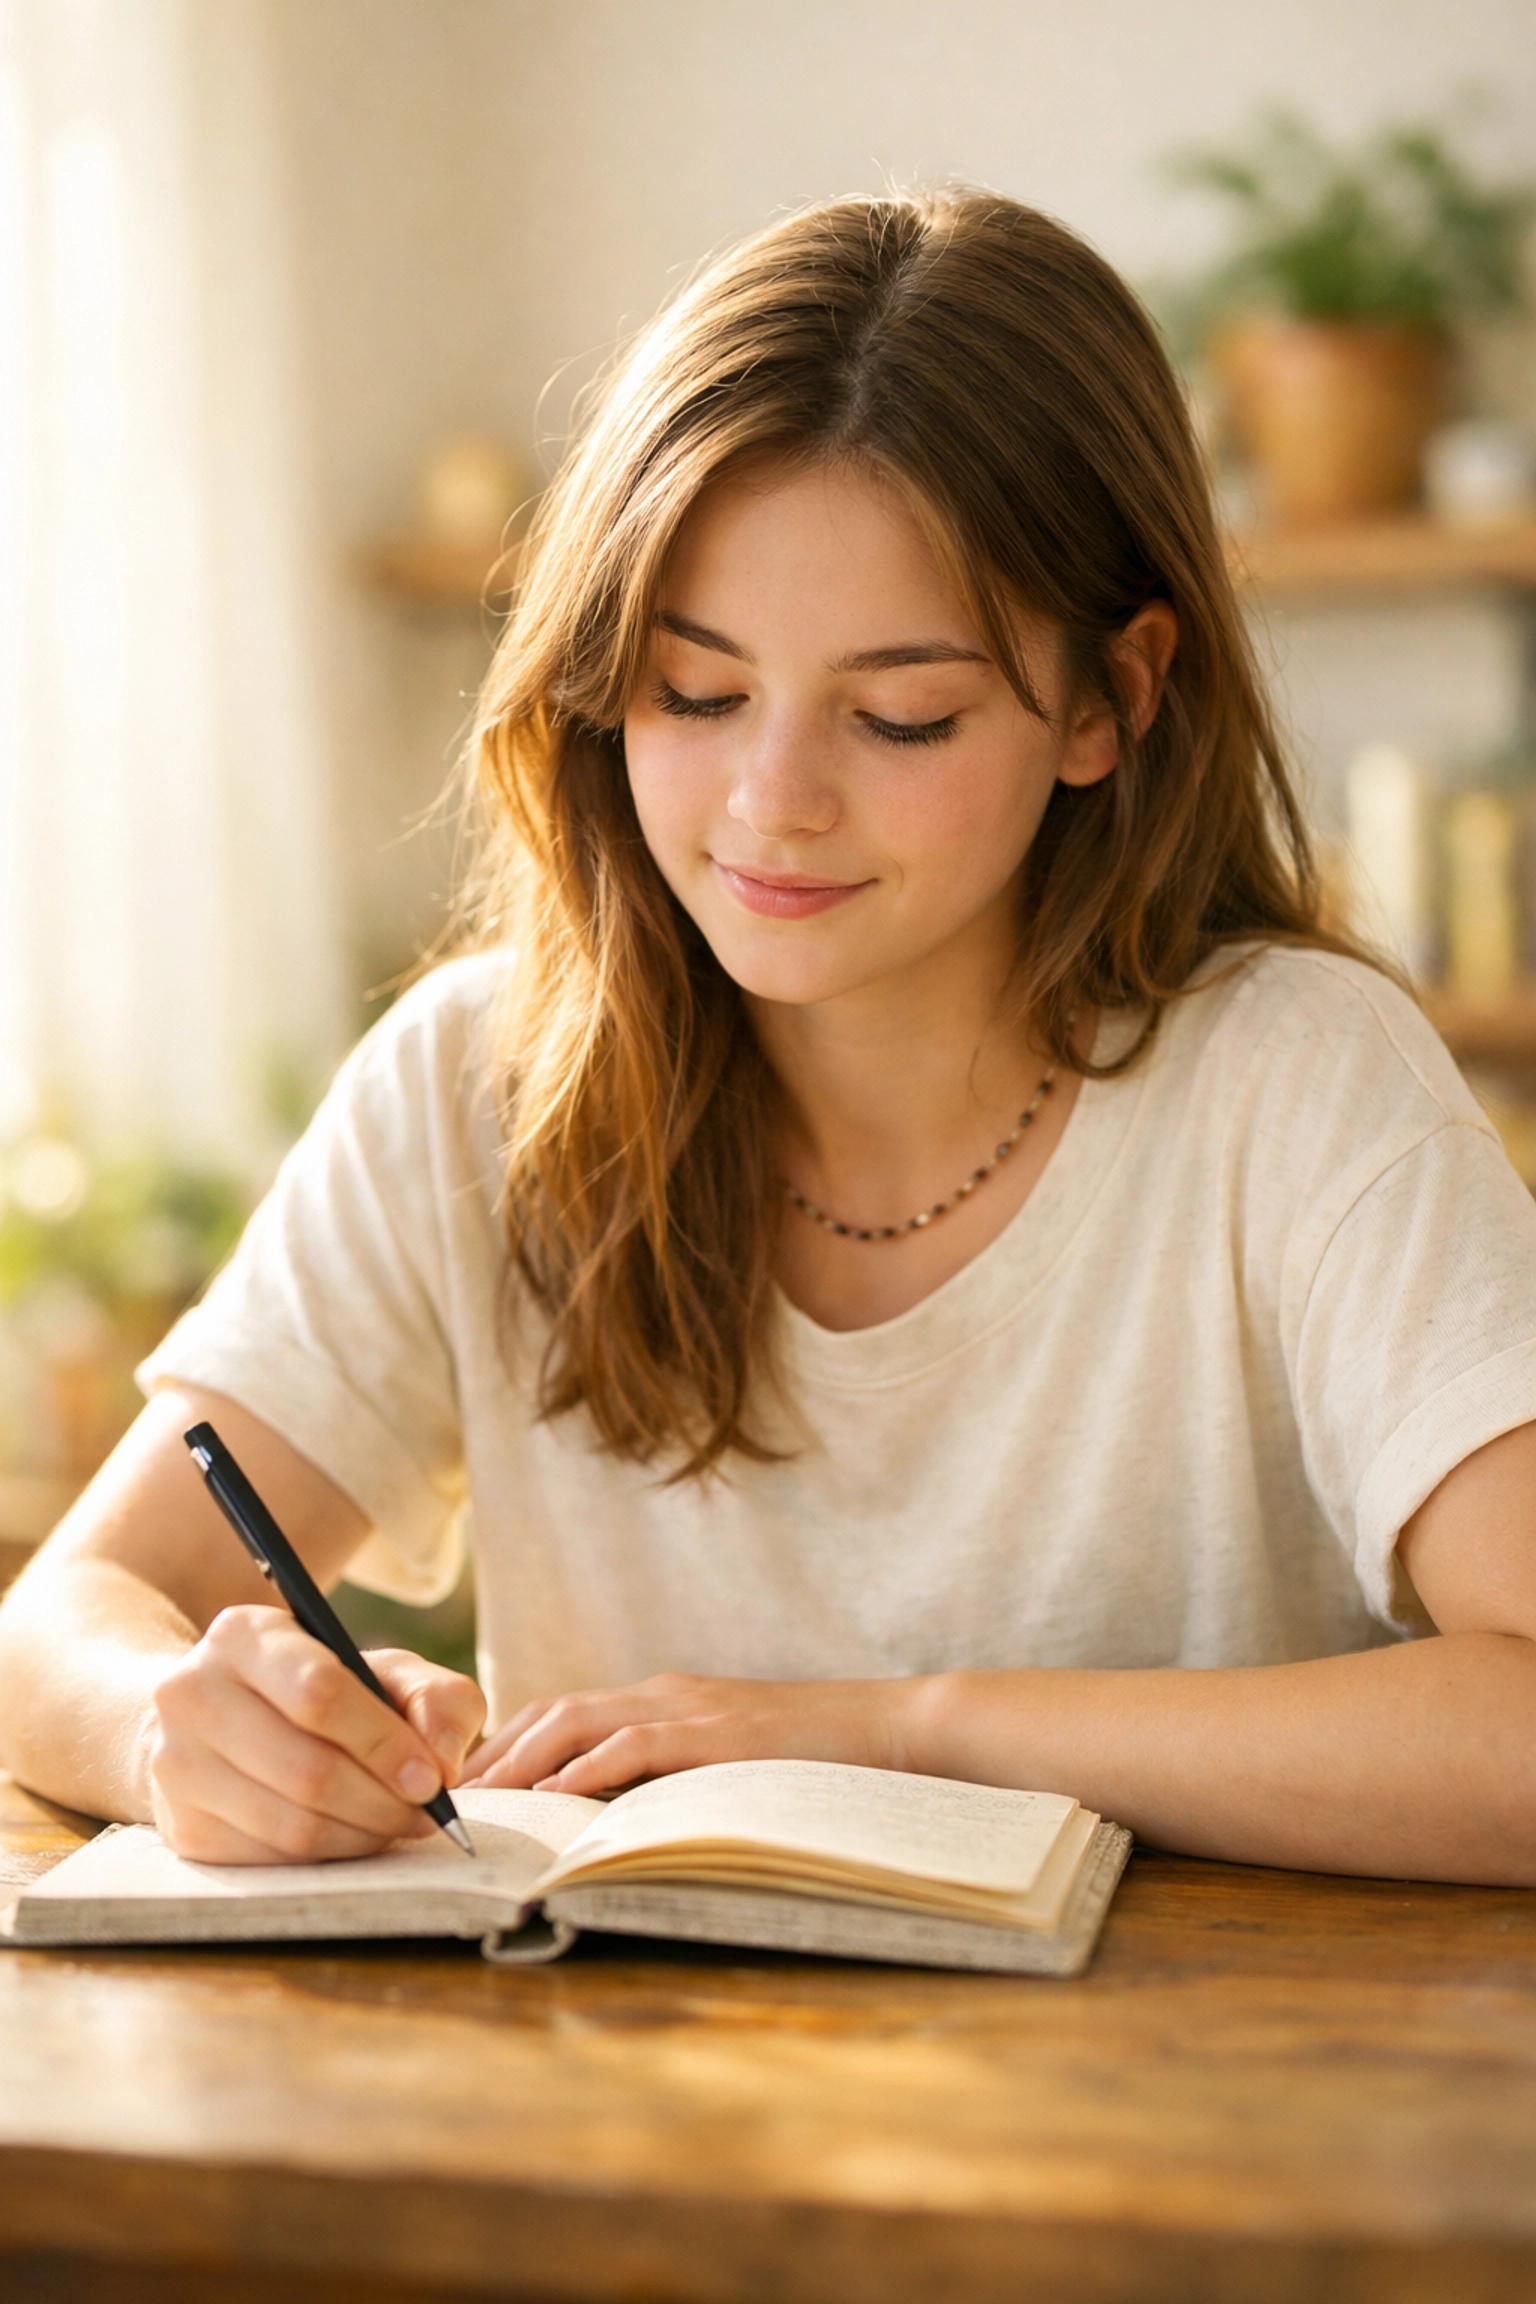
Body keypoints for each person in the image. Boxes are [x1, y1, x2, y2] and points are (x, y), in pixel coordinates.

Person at [4, 189, 1536, 1882]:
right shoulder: (475, 1084)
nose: (772, 806)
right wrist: (178, 1729)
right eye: (696, 692)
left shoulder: (1296, 1082)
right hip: (619, 2107)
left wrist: (901, 1728)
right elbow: (58, 1624)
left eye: (901, 715)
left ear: (1111, 700)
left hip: (1181, 2118)